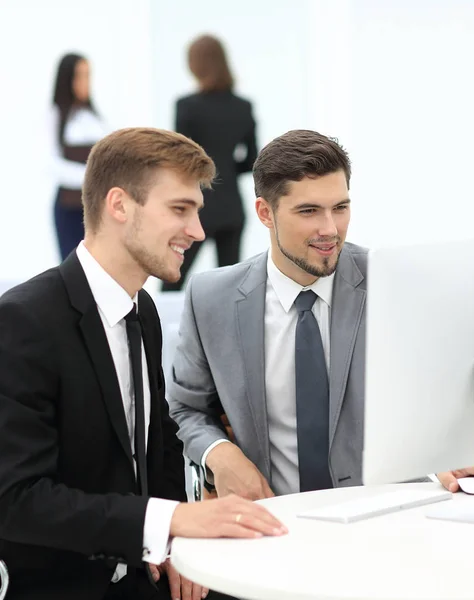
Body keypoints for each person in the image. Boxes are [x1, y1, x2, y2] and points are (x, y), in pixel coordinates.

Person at [0, 127, 286, 600]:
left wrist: (174, 543)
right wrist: (170, 521)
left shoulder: (143, 310)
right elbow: (16, 499)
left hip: (142, 576)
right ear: (119, 206)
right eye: (180, 209)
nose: (197, 231)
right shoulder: (24, 321)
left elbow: (158, 444)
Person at [168, 129, 474, 503]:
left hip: (387, 515)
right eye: (309, 211)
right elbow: (187, 407)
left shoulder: (396, 283)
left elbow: (442, 399)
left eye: (340, 208)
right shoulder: (211, 297)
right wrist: (221, 455)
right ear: (265, 212)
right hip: (272, 523)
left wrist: (455, 450)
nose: (330, 230)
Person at [161, 35, 257, 291]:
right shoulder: (243, 107)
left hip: (197, 207)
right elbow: (251, 161)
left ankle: (157, 331)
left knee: (172, 279)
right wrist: (224, 166)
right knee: (231, 289)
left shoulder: (187, 107)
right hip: (231, 208)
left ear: (196, 65)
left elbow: (178, 160)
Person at [50, 53, 108, 260]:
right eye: (79, 76)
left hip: (96, 206)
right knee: (73, 264)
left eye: (87, 75)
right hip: (70, 206)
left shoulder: (94, 117)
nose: (85, 82)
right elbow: (51, 163)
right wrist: (90, 177)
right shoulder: (55, 116)